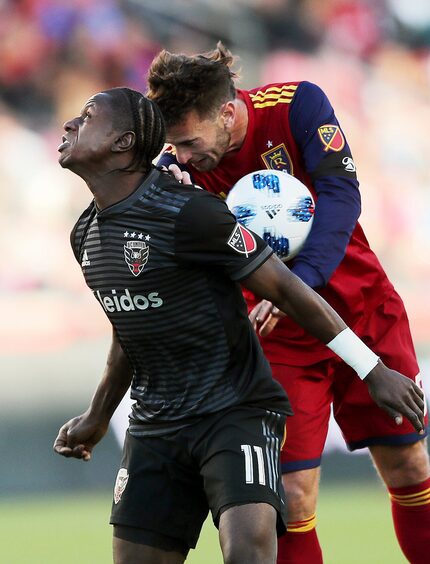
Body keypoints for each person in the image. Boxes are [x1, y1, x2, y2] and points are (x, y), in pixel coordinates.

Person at [52, 87, 425, 564]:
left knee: (255, 544)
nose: (68, 124)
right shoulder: (86, 234)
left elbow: (289, 290)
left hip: (233, 411)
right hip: (156, 422)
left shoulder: (193, 211)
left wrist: (371, 370)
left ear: (123, 141)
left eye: (85, 116)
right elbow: (130, 328)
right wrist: (99, 415)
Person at [146, 43, 430, 564]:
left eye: (188, 141)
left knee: (410, 465)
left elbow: (343, 194)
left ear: (227, 112)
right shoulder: (173, 172)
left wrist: (300, 282)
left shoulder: (297, 104)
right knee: (292, 499)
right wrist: (175, 199)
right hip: (279, 338)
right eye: (174, 145)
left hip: (362, 310)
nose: (182, 155)